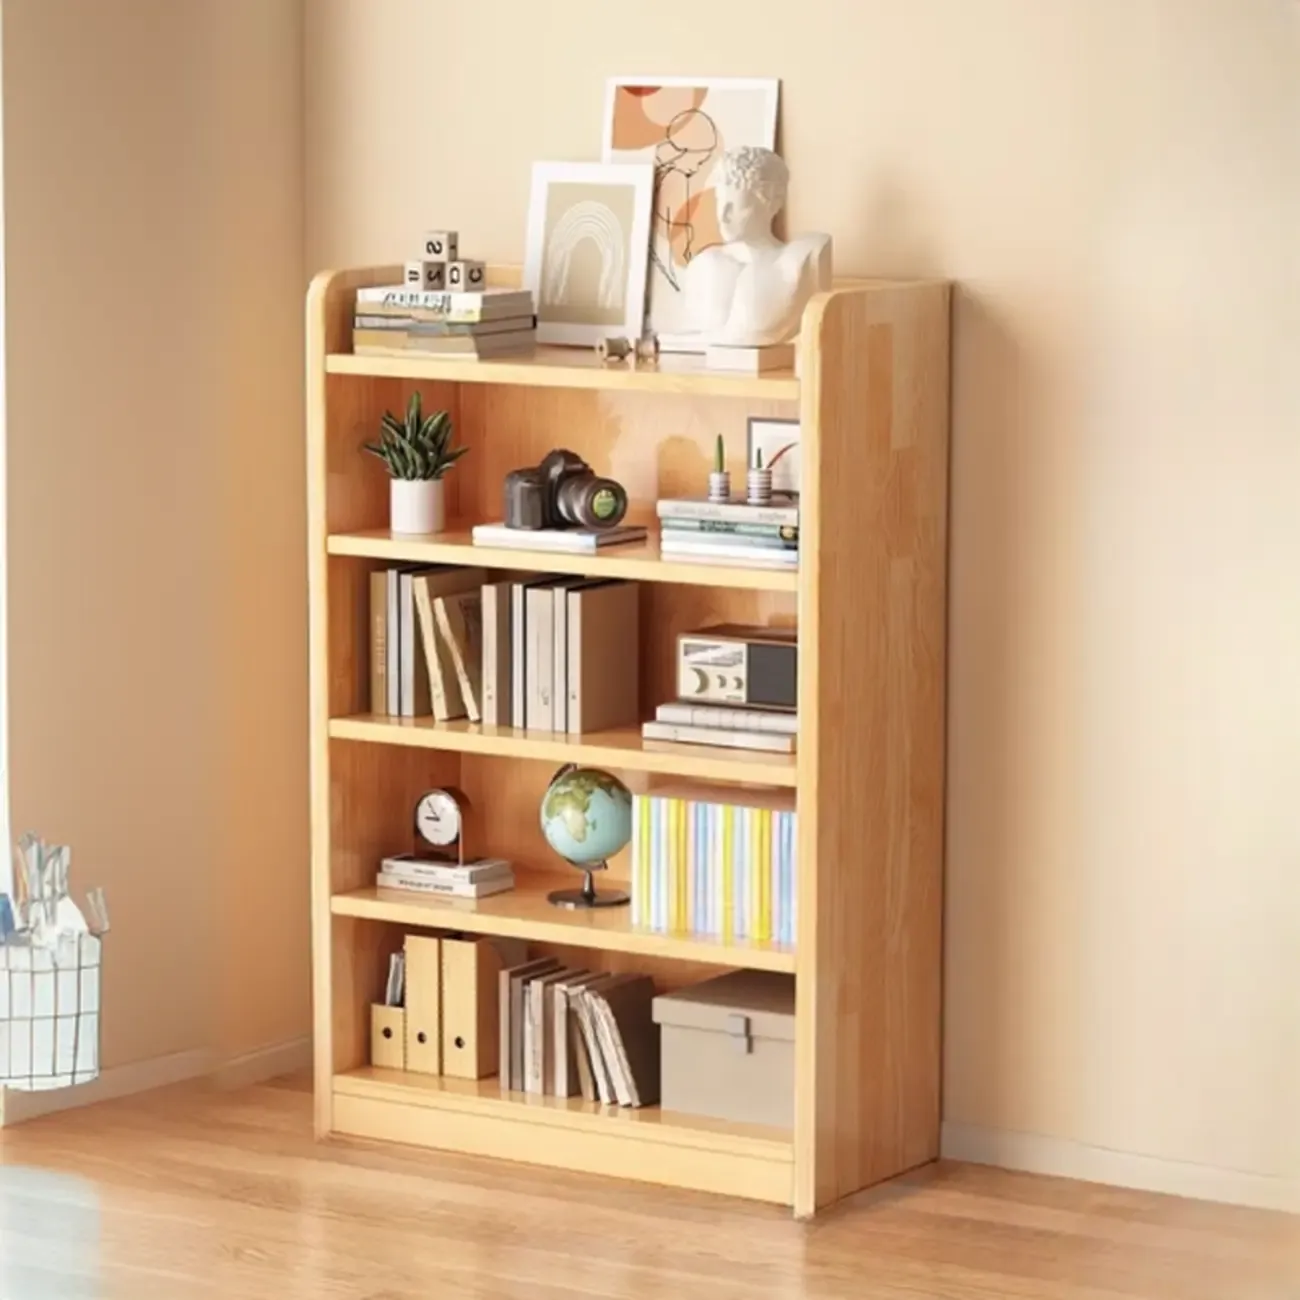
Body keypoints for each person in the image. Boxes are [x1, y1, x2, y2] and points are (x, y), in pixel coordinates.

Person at [678, 146, 832, 347]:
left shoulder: (798, 260)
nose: (723, 216)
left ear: (773, 202)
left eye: (736, 206)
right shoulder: (703, 265)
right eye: (720, 202)